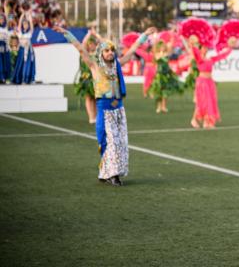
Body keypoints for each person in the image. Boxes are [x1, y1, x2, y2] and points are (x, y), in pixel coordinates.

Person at [55, 26, 156, 186]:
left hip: (119, 110)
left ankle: (107, 173)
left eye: (112, 50)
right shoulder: (95, 67)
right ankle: (111, 175)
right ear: (101, 53)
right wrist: (66, 34)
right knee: (109, 143)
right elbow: (81, 49)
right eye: (106, 50)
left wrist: (144, 35)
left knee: (120, 143)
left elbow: (132, 51)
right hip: (105, 110)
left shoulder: (117, 64)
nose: (110, 52)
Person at [183, 39, 231, 129]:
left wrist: (229, 48)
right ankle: (195, 119)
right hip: (202, 82)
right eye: (204, 48)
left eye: (206, 48)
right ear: (200, 49)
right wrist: (192, 45)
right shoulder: (199, 59)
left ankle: (207, 122)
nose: (205, 49)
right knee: (203, 102)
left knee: (210, 101)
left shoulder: (210, 59)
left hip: (210, 82)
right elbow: (195, 52)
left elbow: (222, 56)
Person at [73, 29, 99, 123]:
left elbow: (104, 43)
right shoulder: (85, 54)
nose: (92, 45)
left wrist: (96, 35)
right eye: (90, 44)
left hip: (96, 78)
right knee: (88, 97)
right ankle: (91, 117)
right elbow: (82, 44)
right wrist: (88, 34)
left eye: (93, 44)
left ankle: (96, 116)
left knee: (96, 98)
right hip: (87, 78)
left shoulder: (98, 55)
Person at [11, 12, 36, 84]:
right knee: (20, 64)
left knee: (28, 64)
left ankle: (28, 79)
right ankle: (19, 79)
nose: (25, 25)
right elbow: (19, 23)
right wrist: (22, 14)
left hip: (28, 50)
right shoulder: (20, 32)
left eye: (26, 24)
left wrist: (29, 16)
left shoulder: (30, 32)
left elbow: (31, 25)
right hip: (22, 50)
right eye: (24, 24)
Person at [0, 13, 11, 82]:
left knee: (5, 62)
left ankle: (5, 77)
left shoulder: (6, 27)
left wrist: (4, 7)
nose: (1, 20)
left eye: (2, 19)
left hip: (5, 46)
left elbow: (7, 18)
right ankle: (1, 77)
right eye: (0, 19)